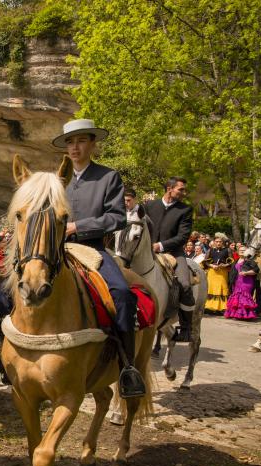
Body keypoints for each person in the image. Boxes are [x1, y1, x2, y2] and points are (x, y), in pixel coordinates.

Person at [53, 118, 145, 398]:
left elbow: (117, 218)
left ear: (93, 144)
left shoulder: (108, 177)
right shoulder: (57, 180)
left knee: (122, 295)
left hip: (93, 249)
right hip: (56, 249)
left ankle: (128, 367)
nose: (75, 147)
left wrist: (77, 226)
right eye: (70, 142)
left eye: (81, 141)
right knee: (9, 290)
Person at [144, 176, 195, 341]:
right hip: (147, 252)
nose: (184, 193)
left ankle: (186, 328)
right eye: (181, 189)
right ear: (169, 189)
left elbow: (183, 236)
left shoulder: (185, 210)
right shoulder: (149, 206)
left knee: (185, 284)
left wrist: (160, 246)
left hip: (174, 253)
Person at [225, 245, 259, 320]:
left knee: (244, 297)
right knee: (237, 297)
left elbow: (256, 270)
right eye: (241, 250)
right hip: (237, 282)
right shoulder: (236, 261)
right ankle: (236, 314)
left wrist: (246, 273)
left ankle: (245, 315)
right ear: (237, 251)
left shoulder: (249, 260)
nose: (242, 251)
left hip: (247, 282)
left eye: (244, 250)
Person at [204, 234, 233, 313]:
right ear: (214, 242)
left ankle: (222, 308)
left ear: (222, 242)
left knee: (222, 288)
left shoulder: (227, 250)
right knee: (211, 288)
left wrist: (225, 265)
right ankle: (209, 307)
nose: (218, 243)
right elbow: (205, 261)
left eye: (220, 241)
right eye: (216, 241)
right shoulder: (210, 250)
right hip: (212, 272)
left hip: (222, 272)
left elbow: (231, 261)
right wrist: (211, 265)